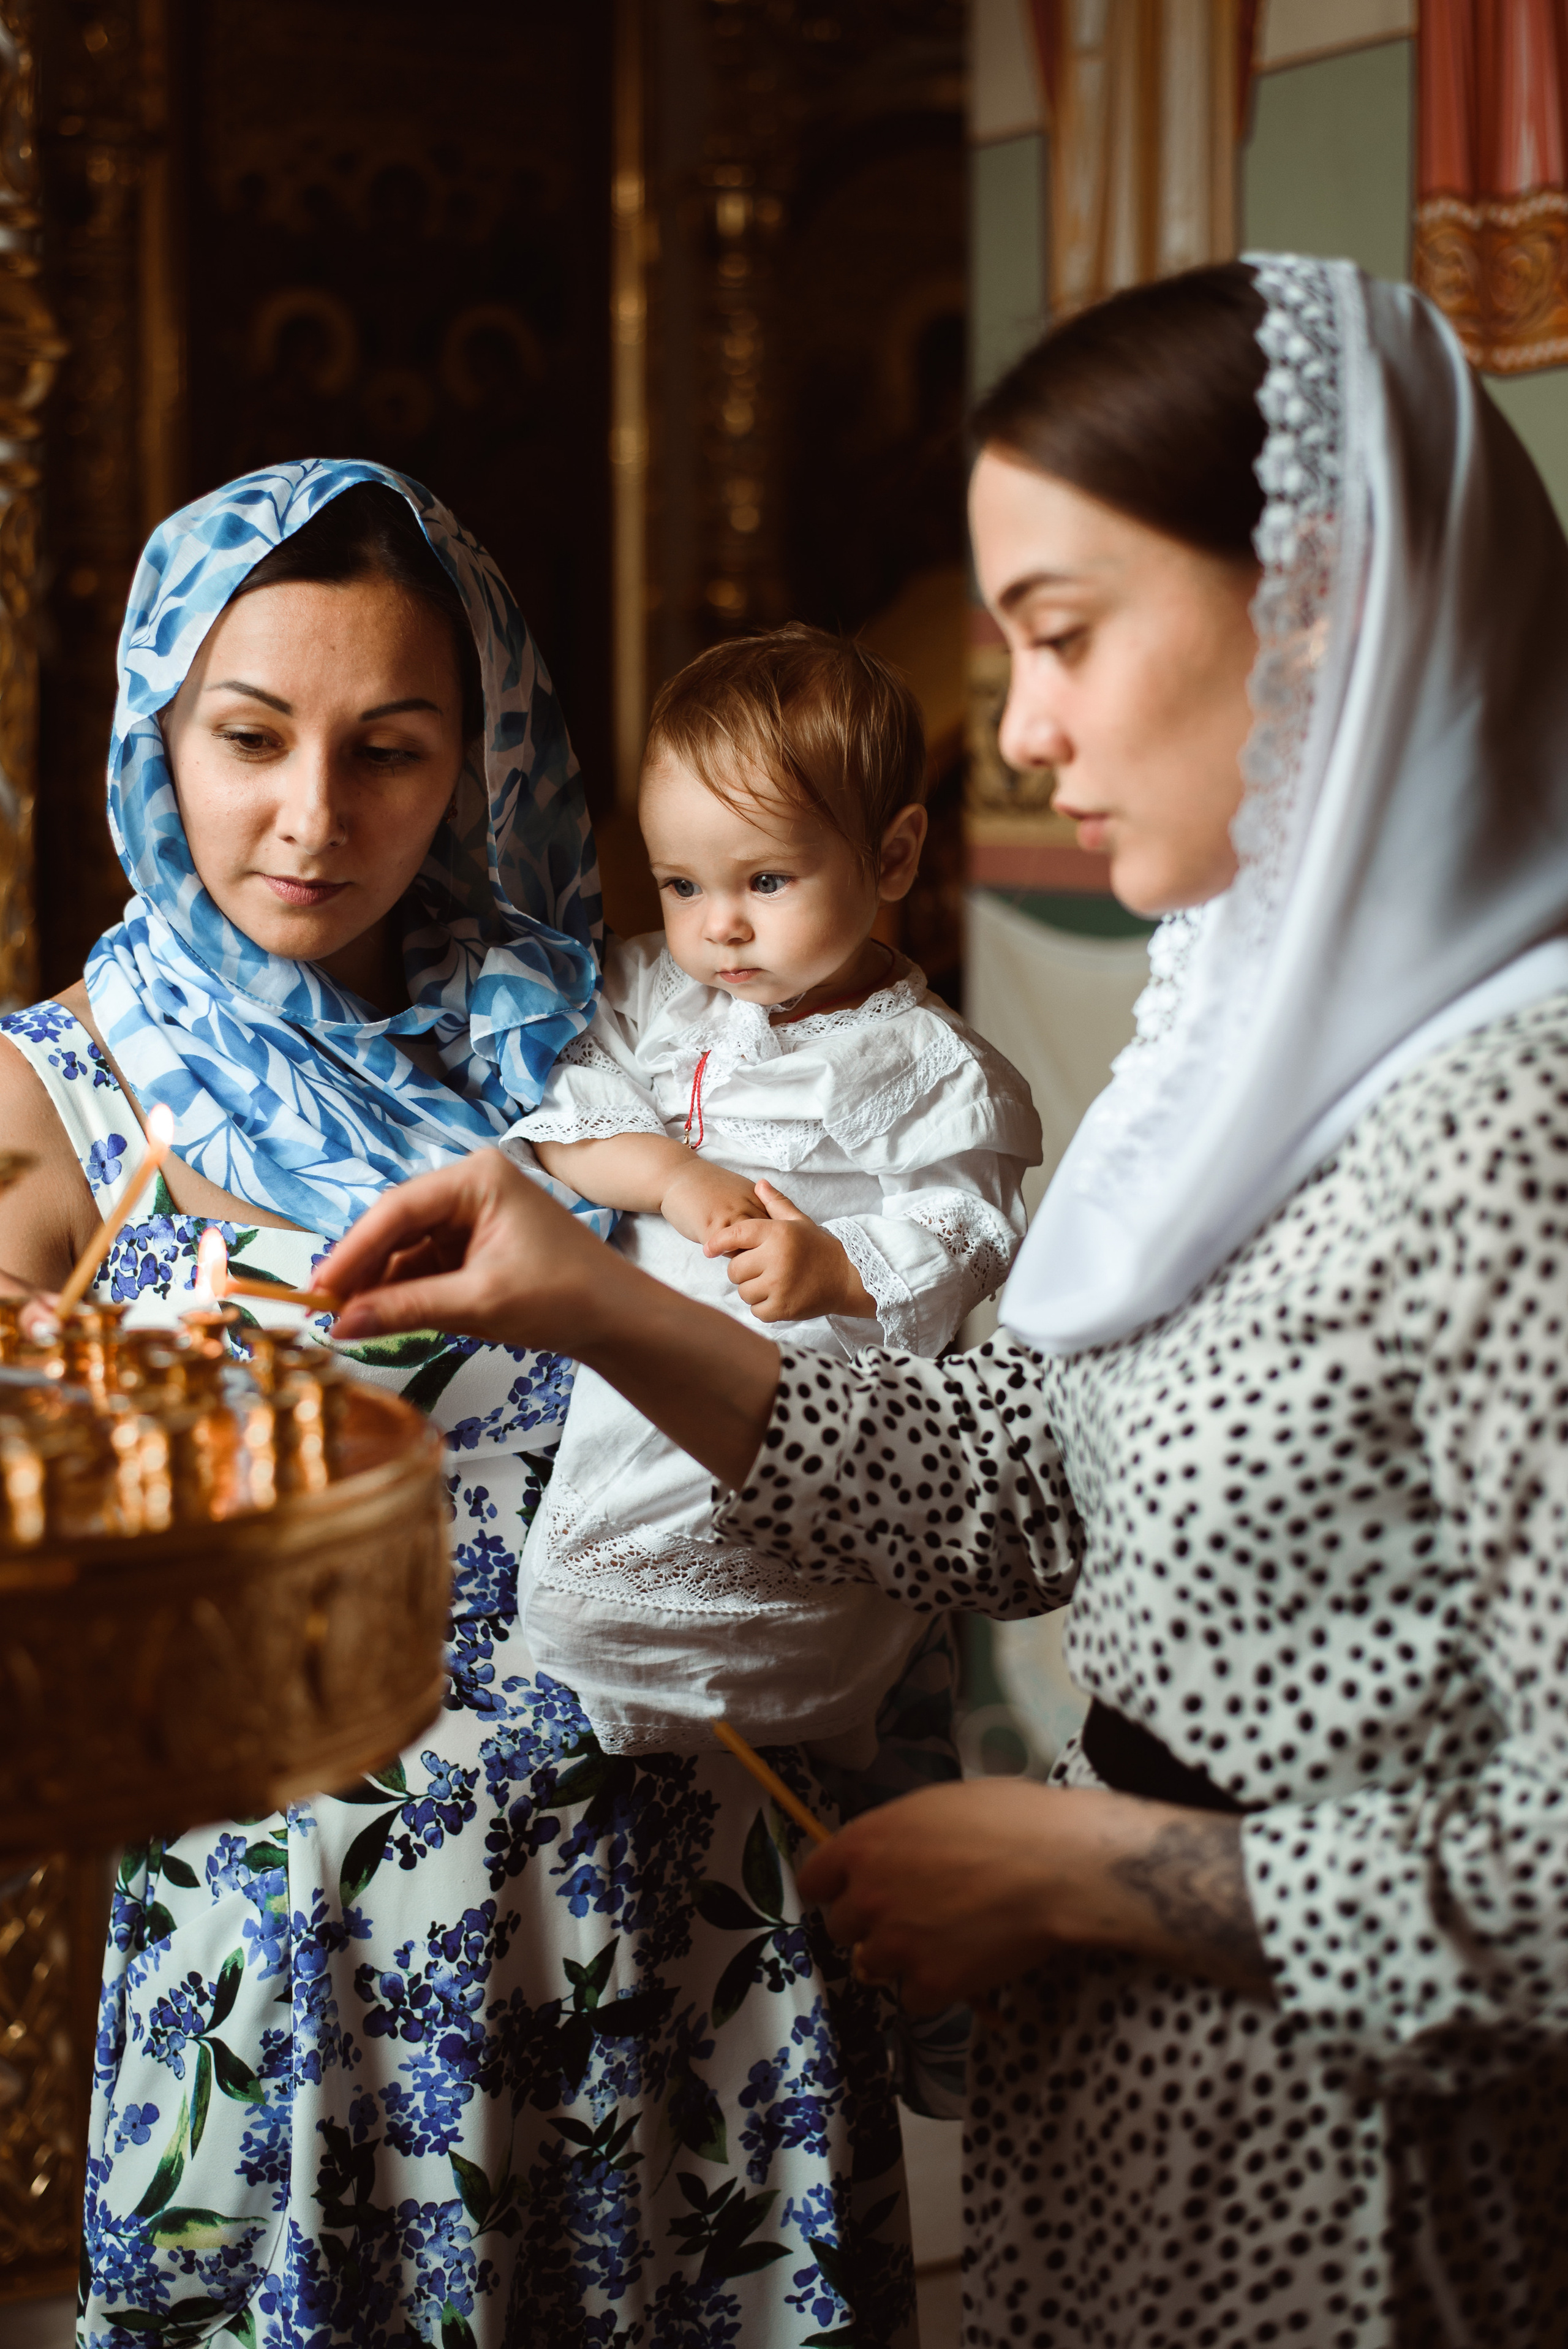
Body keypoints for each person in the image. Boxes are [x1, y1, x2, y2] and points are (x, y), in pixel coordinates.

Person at [323, 255, 1568, 2346]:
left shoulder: (1522, 1119)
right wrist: (595, 1301)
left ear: (1324, 605)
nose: (1025, 727)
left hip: (1360, 2195)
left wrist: (1085, 1872)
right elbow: (1028, 1482)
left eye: (1064, 633)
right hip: (1121, 2137)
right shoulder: (1242, 1062)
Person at [0, 463, 934, 2348]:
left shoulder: (615, 1030)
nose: (313, 816)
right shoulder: (63, 1095)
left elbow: (861, 1369)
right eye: (249, 736)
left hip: (698, 1899)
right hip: (311, 1961)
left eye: (391, 749)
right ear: (156, 730)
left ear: (480, 754)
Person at [508, 624, 1041, 1754]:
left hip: (807, 1389)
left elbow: (967, 1227)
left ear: (892, 858)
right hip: (643, 1374)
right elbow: (568, 1109)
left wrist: (839, 1266)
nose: (719, 924)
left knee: (772, 1584)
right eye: (681, 883)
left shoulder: (933, 1067)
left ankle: (785, 1705)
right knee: (587, 1583)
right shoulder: (655, 991)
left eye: (765, 880)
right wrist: (672, 1177)